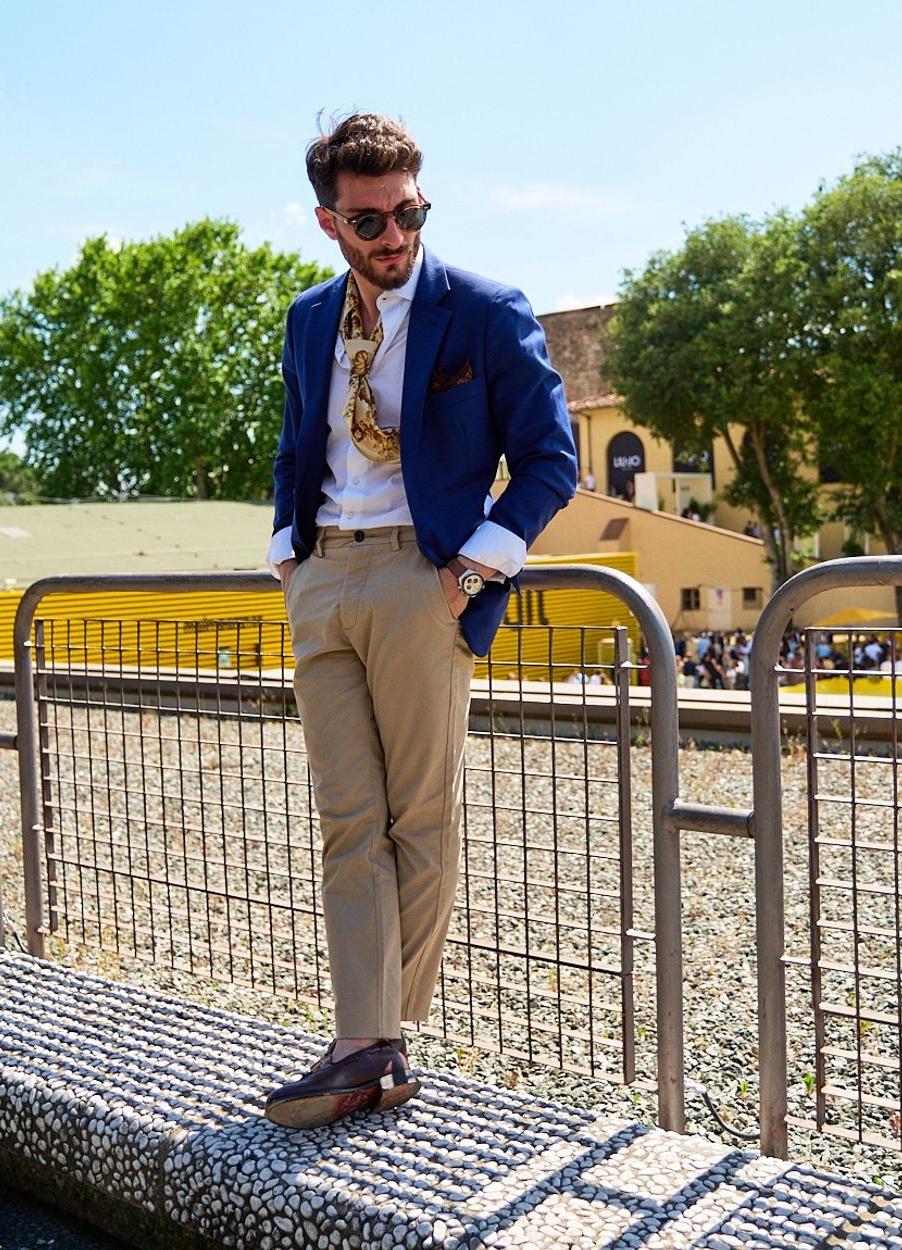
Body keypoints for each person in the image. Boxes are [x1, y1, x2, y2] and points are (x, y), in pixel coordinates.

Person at [263, 113, 577, 1129]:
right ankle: (369, 1044)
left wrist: (468, 574)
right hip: (323, 580)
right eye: (370, 218)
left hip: (420, 576)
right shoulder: (309, 319)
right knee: (345, 819)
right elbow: (290, 444)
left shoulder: (483, 310)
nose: (393, 233)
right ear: (328, 220)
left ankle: (373, 1040)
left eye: (409, 210)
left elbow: (549, 458)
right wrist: (285, 553)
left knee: (418, 818)